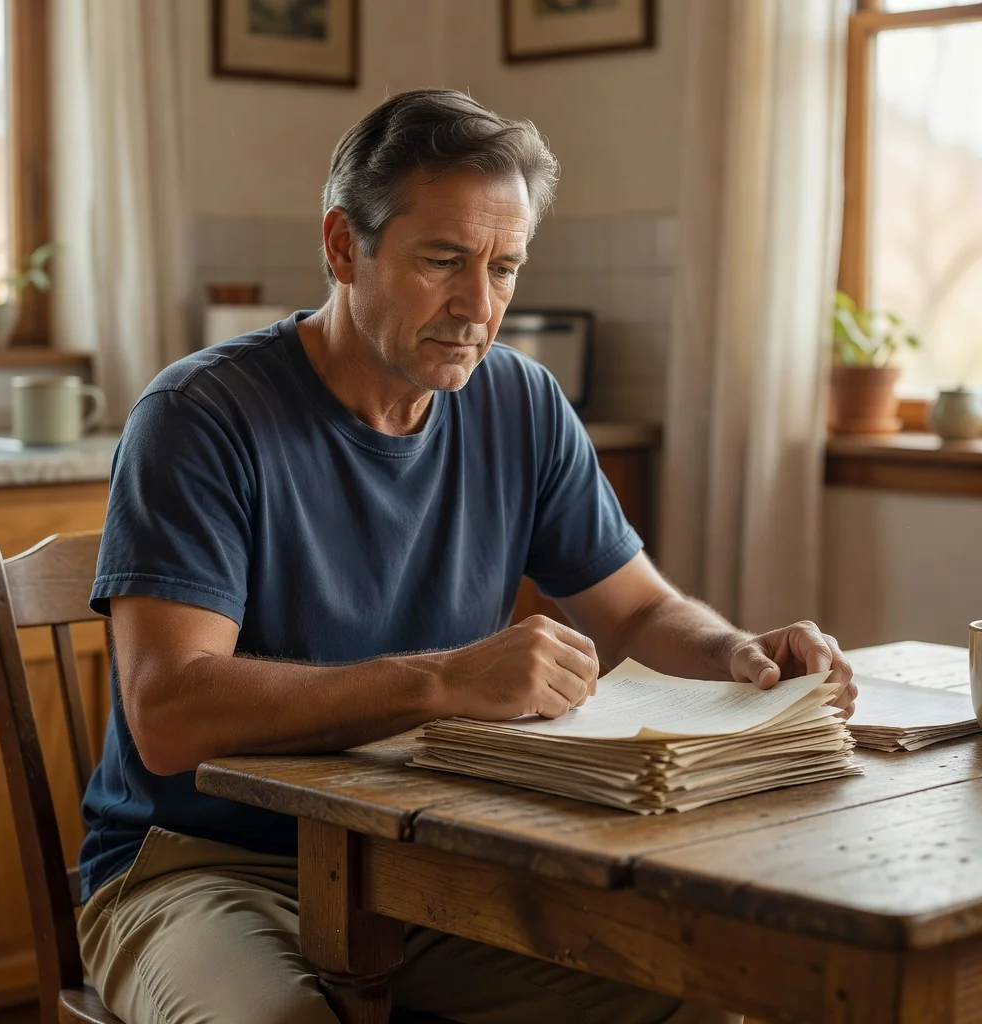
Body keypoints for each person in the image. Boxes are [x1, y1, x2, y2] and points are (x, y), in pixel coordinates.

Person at [77, 88, 856, 1024]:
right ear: (341, 246)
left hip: (425, 870)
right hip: (203, 870)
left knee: (700, 1000)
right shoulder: (200, 416)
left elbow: (642, 612)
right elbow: (168, 712)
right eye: (443, 260)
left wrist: (738, 651)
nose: (478, 307)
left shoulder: (521, 402)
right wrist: (446, 680)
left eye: (505, 268)